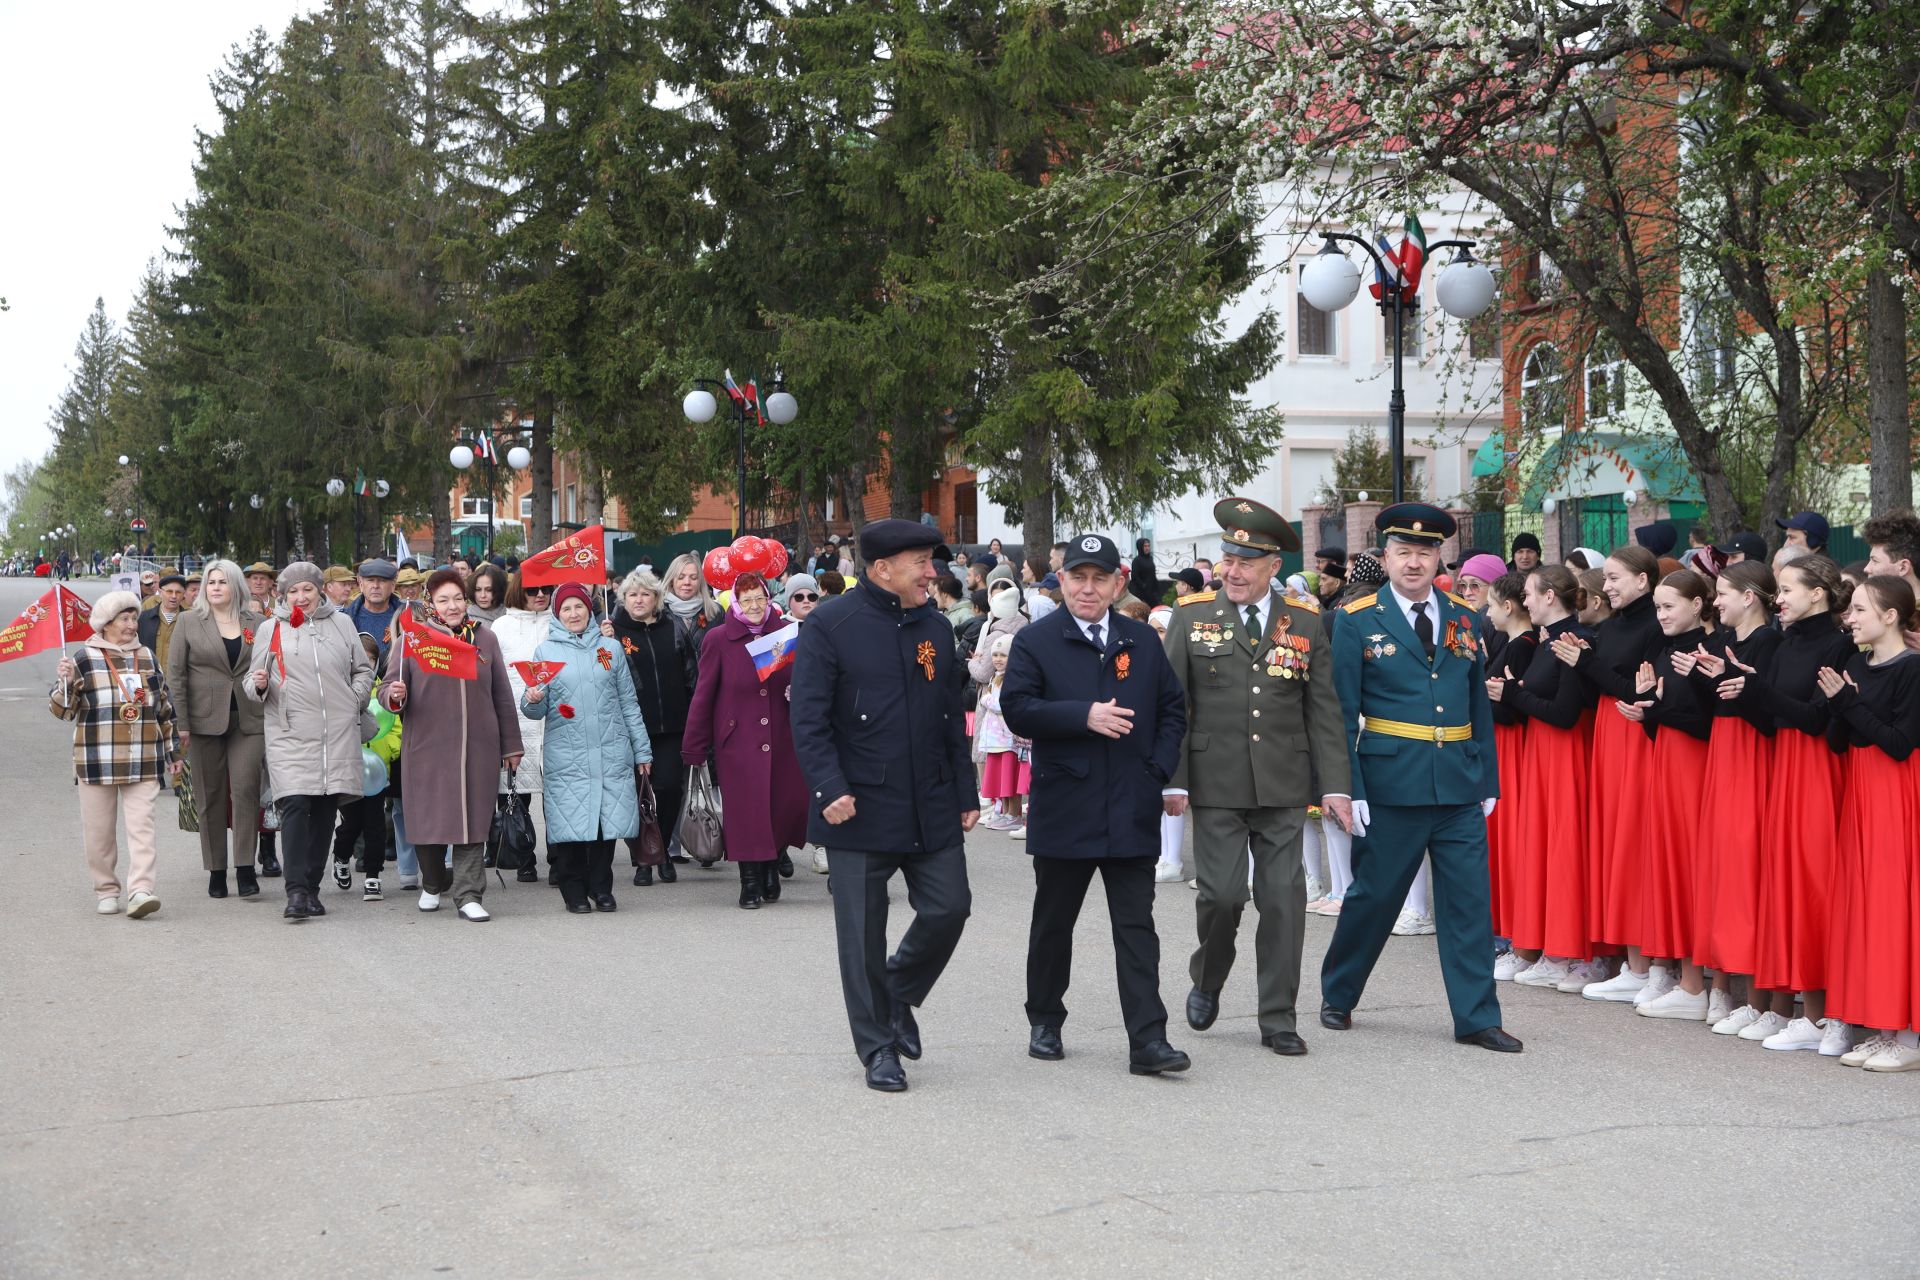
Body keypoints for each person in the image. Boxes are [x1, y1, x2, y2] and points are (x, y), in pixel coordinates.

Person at [1320, 504, 1519, 1052]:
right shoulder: (1356, 621)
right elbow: (1341, 712)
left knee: (1468, 905)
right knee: (1374, 897)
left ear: (1439, 559)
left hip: (1457, 784)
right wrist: (1348, 787)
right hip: (1390, 786)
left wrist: (1489, 780)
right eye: (1403, 552)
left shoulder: (1463, 618)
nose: (1414, 562)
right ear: (1384, 558)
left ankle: (1477, 1017)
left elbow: (1477, 703)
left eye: (1425, 552)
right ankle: (1339, 992)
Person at [790, 518, 978, 1092]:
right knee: (862, 936)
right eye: (921, 562)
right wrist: (829, 789)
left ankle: (897, 995)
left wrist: (967, 793)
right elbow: (810, 719)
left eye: (932, 562)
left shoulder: (937, 627)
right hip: (859, 806)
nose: (933, 573)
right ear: (880, 569)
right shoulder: (829, 625)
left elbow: (950, 716)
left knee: (950, 907)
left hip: (931, 801)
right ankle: (878, 1049)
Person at [1159, 499, 1350, 1057]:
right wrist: (1173, 780)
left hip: (1284, 785)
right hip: (1215, 783)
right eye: (1227, 559)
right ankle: (1208, 976)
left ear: (1273, 567)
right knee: (1221, 897)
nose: (1232, 571)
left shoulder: (1307, 623)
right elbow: (1174, 706)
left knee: (1284, 902)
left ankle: (1278, 1017)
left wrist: (1335, 784)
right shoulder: (1191, 617)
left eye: (1247, 561)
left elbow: (1324, 711)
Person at [999, 534, 1190, 1075]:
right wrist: (1081, 715)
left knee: (1136, 928)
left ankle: (1148, 1041)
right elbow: (1018, 708)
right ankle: (1045, 1019)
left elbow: (1173, 710)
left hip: (1130, 803)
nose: (1088, 588)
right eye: (1078, 577)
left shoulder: (1141, 640)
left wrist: (1156, 770)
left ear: (1116, 584)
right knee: (1054, 923)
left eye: (1099, 578)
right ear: (1062, 581)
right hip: (1067, 804)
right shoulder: (1037, 641)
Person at [1748, 556, 1856, 1054]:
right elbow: (1770, 715)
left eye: (1788, 588)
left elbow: (1816, 719)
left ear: (1819, 593)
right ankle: (1794, 1006)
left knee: (1816, 884)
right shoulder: (1786, 641)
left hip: (1818, 772)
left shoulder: (1839, 643)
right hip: (1786, 768)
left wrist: (1757, 689)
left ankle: (1825, 1013)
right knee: (1787, 881)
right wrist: (1733, 684)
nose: (1780, 598)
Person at [380, 570, 523, 920]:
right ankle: (432, 882)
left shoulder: (484, 639)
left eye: (458, 598)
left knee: (473, 820)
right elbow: (387, 690)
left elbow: (502, 694)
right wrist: (394, 695)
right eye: (444, 600)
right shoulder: (412, 640)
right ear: (431, 604)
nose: (453, 606)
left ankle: (469, 893)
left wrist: (511, 745)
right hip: (428, 747)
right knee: (429, 821)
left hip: (478, 747)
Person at [1552, 546, 1662, 1000]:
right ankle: (1620, 957)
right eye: (1607, 578)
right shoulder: (1612, 625)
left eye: (1615, 578)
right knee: (1612, 841)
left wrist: (1587, 662)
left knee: (1633, 843)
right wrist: (1584, 654)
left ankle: (1645, 964)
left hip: (1634, 736)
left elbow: (1635, 691)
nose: (1607, 586)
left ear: (1643, 580)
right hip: (1608, 734)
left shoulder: (1654, 626)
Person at [1819, 575, 1920, 1071]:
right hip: (1860, 790)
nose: (1850, 618)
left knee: (1892, 907)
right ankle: (1882, 1026)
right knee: (1864, 907)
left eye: (1860, 610)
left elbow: (1900, 744)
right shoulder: (1856, 663)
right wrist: (1842, 705)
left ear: (1890, 616)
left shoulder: (1913, 669)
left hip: (1895, 794)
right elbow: (1841, 742)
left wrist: (1849, 703)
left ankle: (1907, 1035)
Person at [246, 562, 376, 921]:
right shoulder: (271, 628)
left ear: (320, 589)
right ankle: (296, 891)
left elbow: (362, 669)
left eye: (307, 589)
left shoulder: (342, 623)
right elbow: (251, 684)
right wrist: (258, 684)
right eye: (293, 591)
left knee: (324, 811)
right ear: (283, 595)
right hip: (290, 733)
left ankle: (313, 888)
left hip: (336, 732)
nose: (301, 597)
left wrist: (355, 697)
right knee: (294, 806)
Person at [1492, 566, 1596, 990]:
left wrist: (1513, 693)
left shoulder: (1570, 640)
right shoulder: (1546, 641)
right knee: (1540, 849)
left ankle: (1564, 951)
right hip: (1542, 751)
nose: (1526, 601)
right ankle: (1537, 945)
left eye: (1532, 594)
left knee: (1562, 849)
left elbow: (1564, 713)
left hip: (1565, 753)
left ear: (1551, 596)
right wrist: (1515, 694)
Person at [51, 590, 183, 918]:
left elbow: (162, 707)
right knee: (99, 832)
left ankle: (141, 890)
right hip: (97, 759)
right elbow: (63, 712)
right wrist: (64, 683)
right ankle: (106, 889)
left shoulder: (147, 657)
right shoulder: (83, 658)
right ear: (106, 624)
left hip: (143, 757)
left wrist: (173, 751)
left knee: (142, 827)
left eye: (134, 618)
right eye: (124, 619)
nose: (131, 624)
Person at [682, 571, 809, 909]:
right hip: (738, 742)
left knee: (783, 805)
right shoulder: (719, 639)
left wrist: (799, 693)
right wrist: (694, 745)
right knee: (747, 812)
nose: (754, 606)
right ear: (735, 603)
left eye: (760, 598)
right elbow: (704, 695)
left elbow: (804, 679)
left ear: (770, 600)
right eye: (746, 599)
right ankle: (750, 880)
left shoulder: (785, 633)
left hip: (783, 737)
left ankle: (771, 863)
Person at [525, 582, 653, 913]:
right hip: (566, 755)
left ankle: (601, 887)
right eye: (566, 608)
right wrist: (532, 699)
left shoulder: (610, 648)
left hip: (611, 750)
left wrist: (642, 751)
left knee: (604, 823)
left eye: (578, 607)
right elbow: (534, 708)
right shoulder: (545, 652)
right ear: (557, 614)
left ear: (589, 609)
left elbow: (629, 702)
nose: (573, 613)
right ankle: (573, 890)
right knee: (569, 825)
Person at [1629, 569, 1719, 1020]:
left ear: (1699, 605)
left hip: (1697, 770)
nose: (1661, 615)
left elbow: (1709, 723)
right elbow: (1668, 718)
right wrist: (1646, 712)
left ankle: (1695, 982)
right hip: (1668, 764)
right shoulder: (1667, 651)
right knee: (1668, 866)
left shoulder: (1711, 651)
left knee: (1690, 869)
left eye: (1669, 606)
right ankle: (1673, 974)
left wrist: (1659, 710)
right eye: (1658, 607)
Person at [165, 559, 267, 899]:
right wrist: (181, 722)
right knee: (209, 796)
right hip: (202, 722)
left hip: (249, 719)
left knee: (245, 792)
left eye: (223, 582)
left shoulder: (258, 622)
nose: (216, 587)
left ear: (235, 586)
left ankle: (245, 868)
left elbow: (270, 665)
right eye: (211, 582)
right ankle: (216, 870)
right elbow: (176, 675)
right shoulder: (189, 622)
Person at [607, 568, 698, 886]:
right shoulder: (613, 631)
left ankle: (658, 848)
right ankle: (643, 860)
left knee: (670, 788)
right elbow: (603, 675)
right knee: (636, 796)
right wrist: (602, 645)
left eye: (646, 593)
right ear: (623, 598)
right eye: (632, 594)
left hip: (672, 724)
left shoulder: (673, 626)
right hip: (631, 727)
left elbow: (691, 672)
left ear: (657, 598)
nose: (639, 599)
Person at [1481, 572, 1536, 972]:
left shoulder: (1523, 646)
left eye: (1489, 603)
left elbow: (1512, 707)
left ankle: (1513, 933)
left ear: (1508, 606)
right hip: (1500, 747)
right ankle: (1501, 927)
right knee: (1497, 840)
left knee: (1510, 838)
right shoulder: (1510, 645)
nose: (1485, 610)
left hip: (1511, 748)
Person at [974, 634, 1029, 834]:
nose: (998, 659)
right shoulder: (995, 677)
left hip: (1008, 738)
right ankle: (1004, 811)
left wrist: (986, 699)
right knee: (999, 778)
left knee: (1009, 779)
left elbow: (1004, 704)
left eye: (1003, 655)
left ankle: (1012, 814)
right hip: (996, 738)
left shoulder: (1013, 677)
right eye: (995, 655)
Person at [344, 558, 400, 668]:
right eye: (370, 580)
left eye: (382, 581)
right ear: (360, 585)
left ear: (393, 586)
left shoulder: (406, 618)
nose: (375, 586)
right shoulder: (345, 619)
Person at [662, 551, 725, 635]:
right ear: (671, 581)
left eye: (693, 577)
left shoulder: (716, 611)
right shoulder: (657, 612)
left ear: (700, 582)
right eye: (681, 577)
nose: (687, 582)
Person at [137, 574, 188, 672]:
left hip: (177, 681)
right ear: (160, 592)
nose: (173, 596)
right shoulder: (143, 619)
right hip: (148, 677)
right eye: (169, 591)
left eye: (178, 592)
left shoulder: (189, 620)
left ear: (183, 595)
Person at [1131, 537, 1162, 606]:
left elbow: (1152, 575)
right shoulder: (1136, 561)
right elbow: (1135, 577)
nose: (1147, 548)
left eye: (1148, 546)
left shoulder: (1150, 559)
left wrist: (1157, 590)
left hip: (1153, 593)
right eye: (1145, 546)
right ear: (1140, 547)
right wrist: (1144, 586)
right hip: (1142, 594)